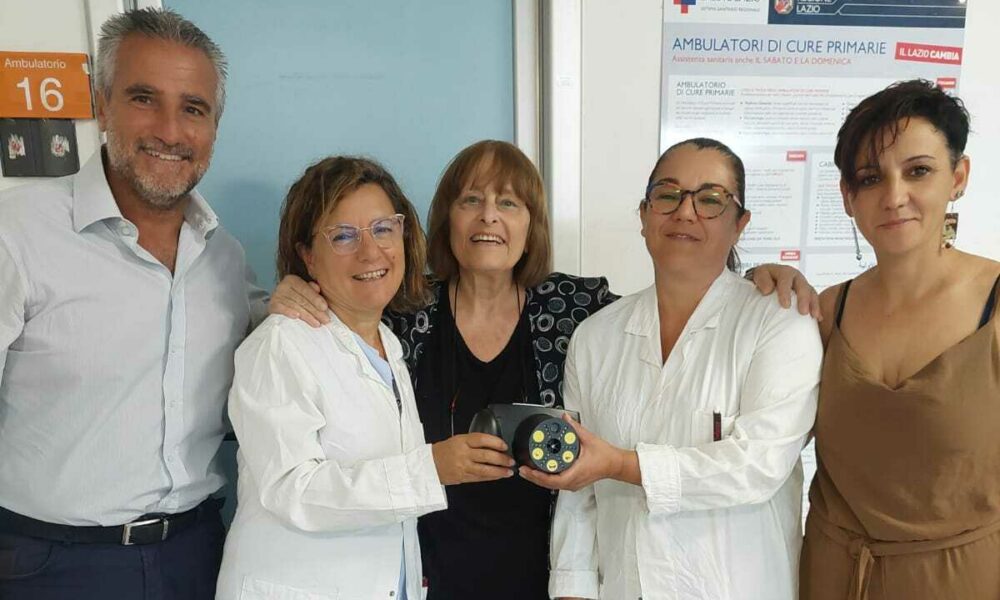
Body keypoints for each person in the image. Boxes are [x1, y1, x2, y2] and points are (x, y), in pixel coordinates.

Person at [270, 140, 618, 599]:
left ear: (532, 225)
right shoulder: (403, 309)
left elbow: (658, 320)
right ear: (446, 219)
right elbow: (329, 315)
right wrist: (289, 291)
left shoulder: (575, 309)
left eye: (508, 203)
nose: (488, 216)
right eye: (471, 200)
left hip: (546, 573)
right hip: (423, 571)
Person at [0, 8, 266, 600]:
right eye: (144, 99)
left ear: (214, 127)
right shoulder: (16, 235)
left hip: (199, 553)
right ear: (102, 105)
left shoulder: (225, 258)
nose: (170, 131)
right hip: (50, 566)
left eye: (193, 108)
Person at [519, 138, 824, 600]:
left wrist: (623, 465)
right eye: (668, 194)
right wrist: (571, 590)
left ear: (740, 224)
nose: (685, 212)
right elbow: (580, 492)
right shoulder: (595, 336)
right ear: (644, 216)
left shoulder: (779, 322)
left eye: (710, 199)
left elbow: (757, 466)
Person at [216, 156, 481, 599]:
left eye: (383, 229)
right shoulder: (281, 346)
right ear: (307, 256)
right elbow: (293, 491)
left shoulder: (388, 345)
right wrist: (430, 469)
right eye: (343, 236)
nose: (370, 252)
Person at [789, 80, 1000, 599]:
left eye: (918, 171)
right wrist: (757, 286)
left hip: (960, 581)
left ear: (958, 177)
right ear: (848, 197)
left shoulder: (993, 305)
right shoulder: (824, 312)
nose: (894, 196)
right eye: (870, 178)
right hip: (831, 576)